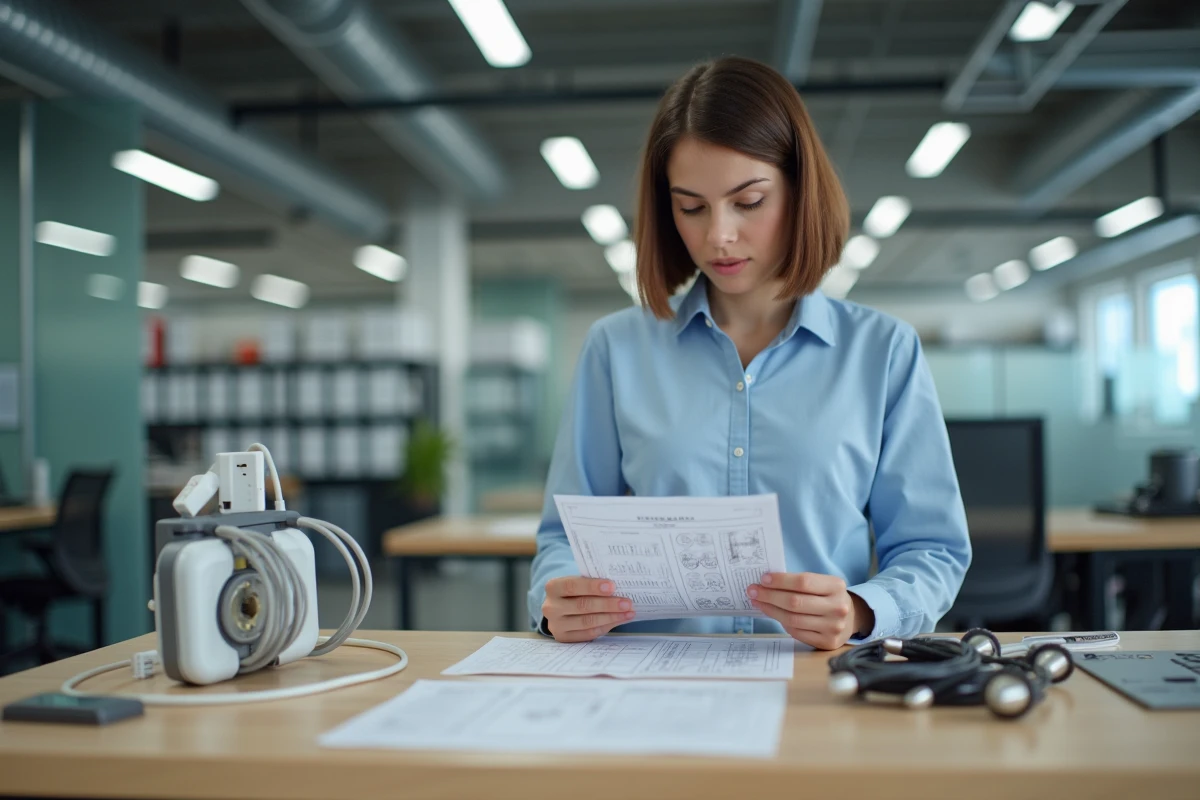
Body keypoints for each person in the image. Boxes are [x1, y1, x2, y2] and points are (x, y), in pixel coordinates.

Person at [527, 56, 971, 650]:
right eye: (691, 207)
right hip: (651, 684)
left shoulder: (883, 351)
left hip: (815, 687)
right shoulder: (616, 349)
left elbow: (931, 548)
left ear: (799, 191)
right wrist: (558, 596)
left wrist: (863, 610)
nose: (719, 236)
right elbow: (563, 535)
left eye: (749, 201)